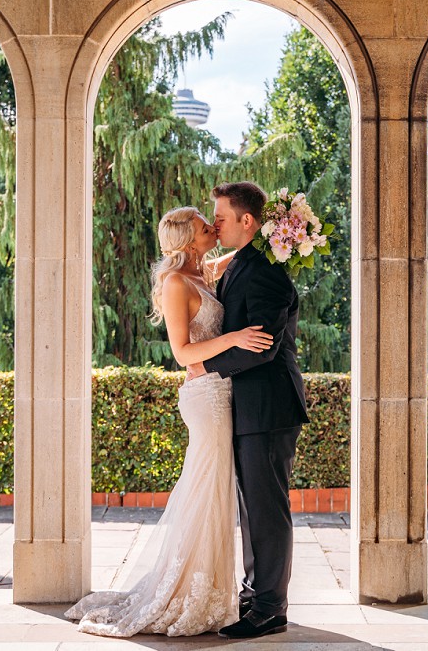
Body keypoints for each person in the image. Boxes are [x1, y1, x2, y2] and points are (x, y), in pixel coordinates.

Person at [65, 206, 272, 637]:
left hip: (222, 392)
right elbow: (182, 352)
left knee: (215, 491)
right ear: (186, 239)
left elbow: (252, 249)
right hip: (206, 398)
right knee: (205, 489)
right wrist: (235, 337)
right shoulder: (177, 283)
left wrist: (284, 227)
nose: (211, 227)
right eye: (203, 225)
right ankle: (184, 593)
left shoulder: (206, 271)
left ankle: (212, 590)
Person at [192, 181, 309, 639]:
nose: (214, 223)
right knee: (251, 506)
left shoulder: (267, 273)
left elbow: (261, 348)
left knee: (266, 510)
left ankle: (270, 609)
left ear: (248, 221)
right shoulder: (243, 263)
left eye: (221, 217)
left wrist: (204, 364)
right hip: (248, 408)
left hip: (269, 407)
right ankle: (253, 596)